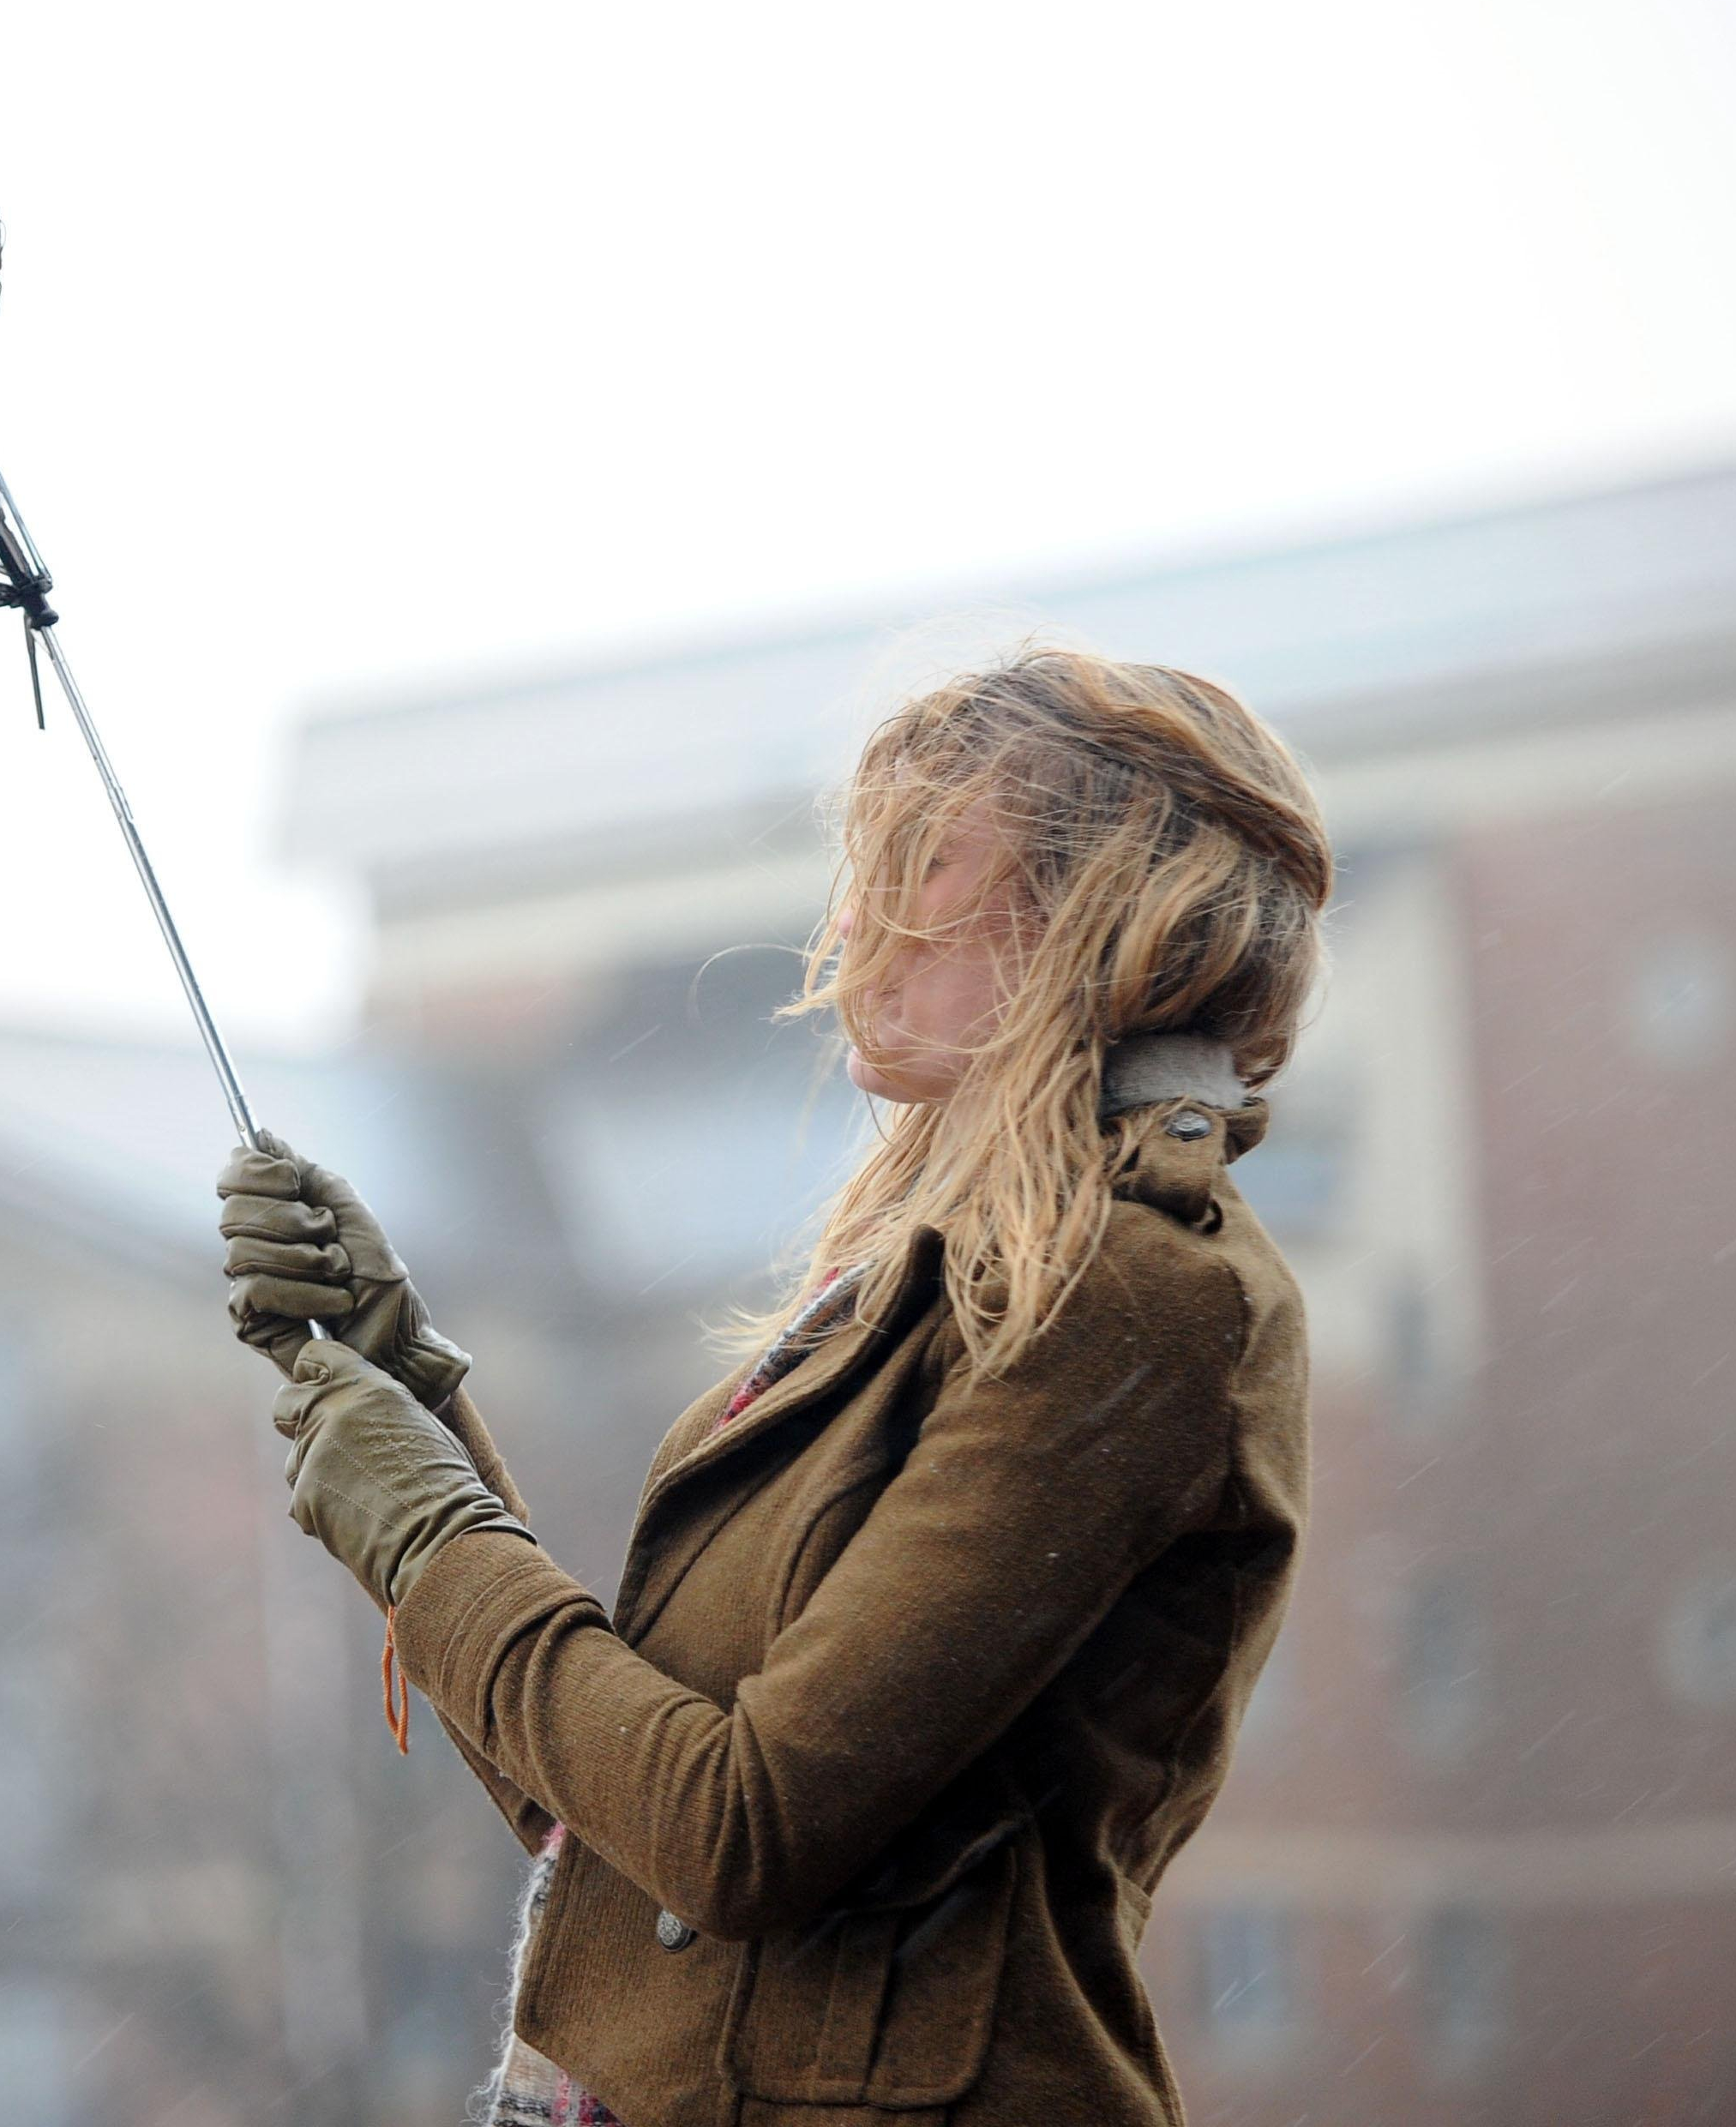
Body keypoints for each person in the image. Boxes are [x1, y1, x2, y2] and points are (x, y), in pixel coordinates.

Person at [215, 644, 1331, 2127]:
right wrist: (415, 1402)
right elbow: (607, 1817)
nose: (856, 919)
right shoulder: (924, 1278)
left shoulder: (1136, 1292)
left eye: (924, 861)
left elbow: (741, 1831)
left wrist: (432, 1541)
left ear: (1104, 908)